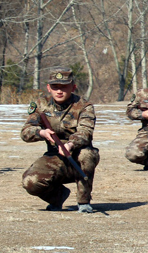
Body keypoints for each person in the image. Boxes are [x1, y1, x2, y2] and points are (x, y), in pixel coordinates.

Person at [21, 67, 99, 213]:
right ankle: (57, 197)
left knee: (87, 155)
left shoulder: (84, 106)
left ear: (73, 87)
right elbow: (25, 132)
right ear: (48, 88)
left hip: (77, 154)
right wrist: (41, 132)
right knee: (30, 182)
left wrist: (70, 144)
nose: (59, 91)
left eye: (64, 87)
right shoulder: (40, 105)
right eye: (55, 87)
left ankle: (83, 201)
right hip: (54, 156)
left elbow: (86, 132)